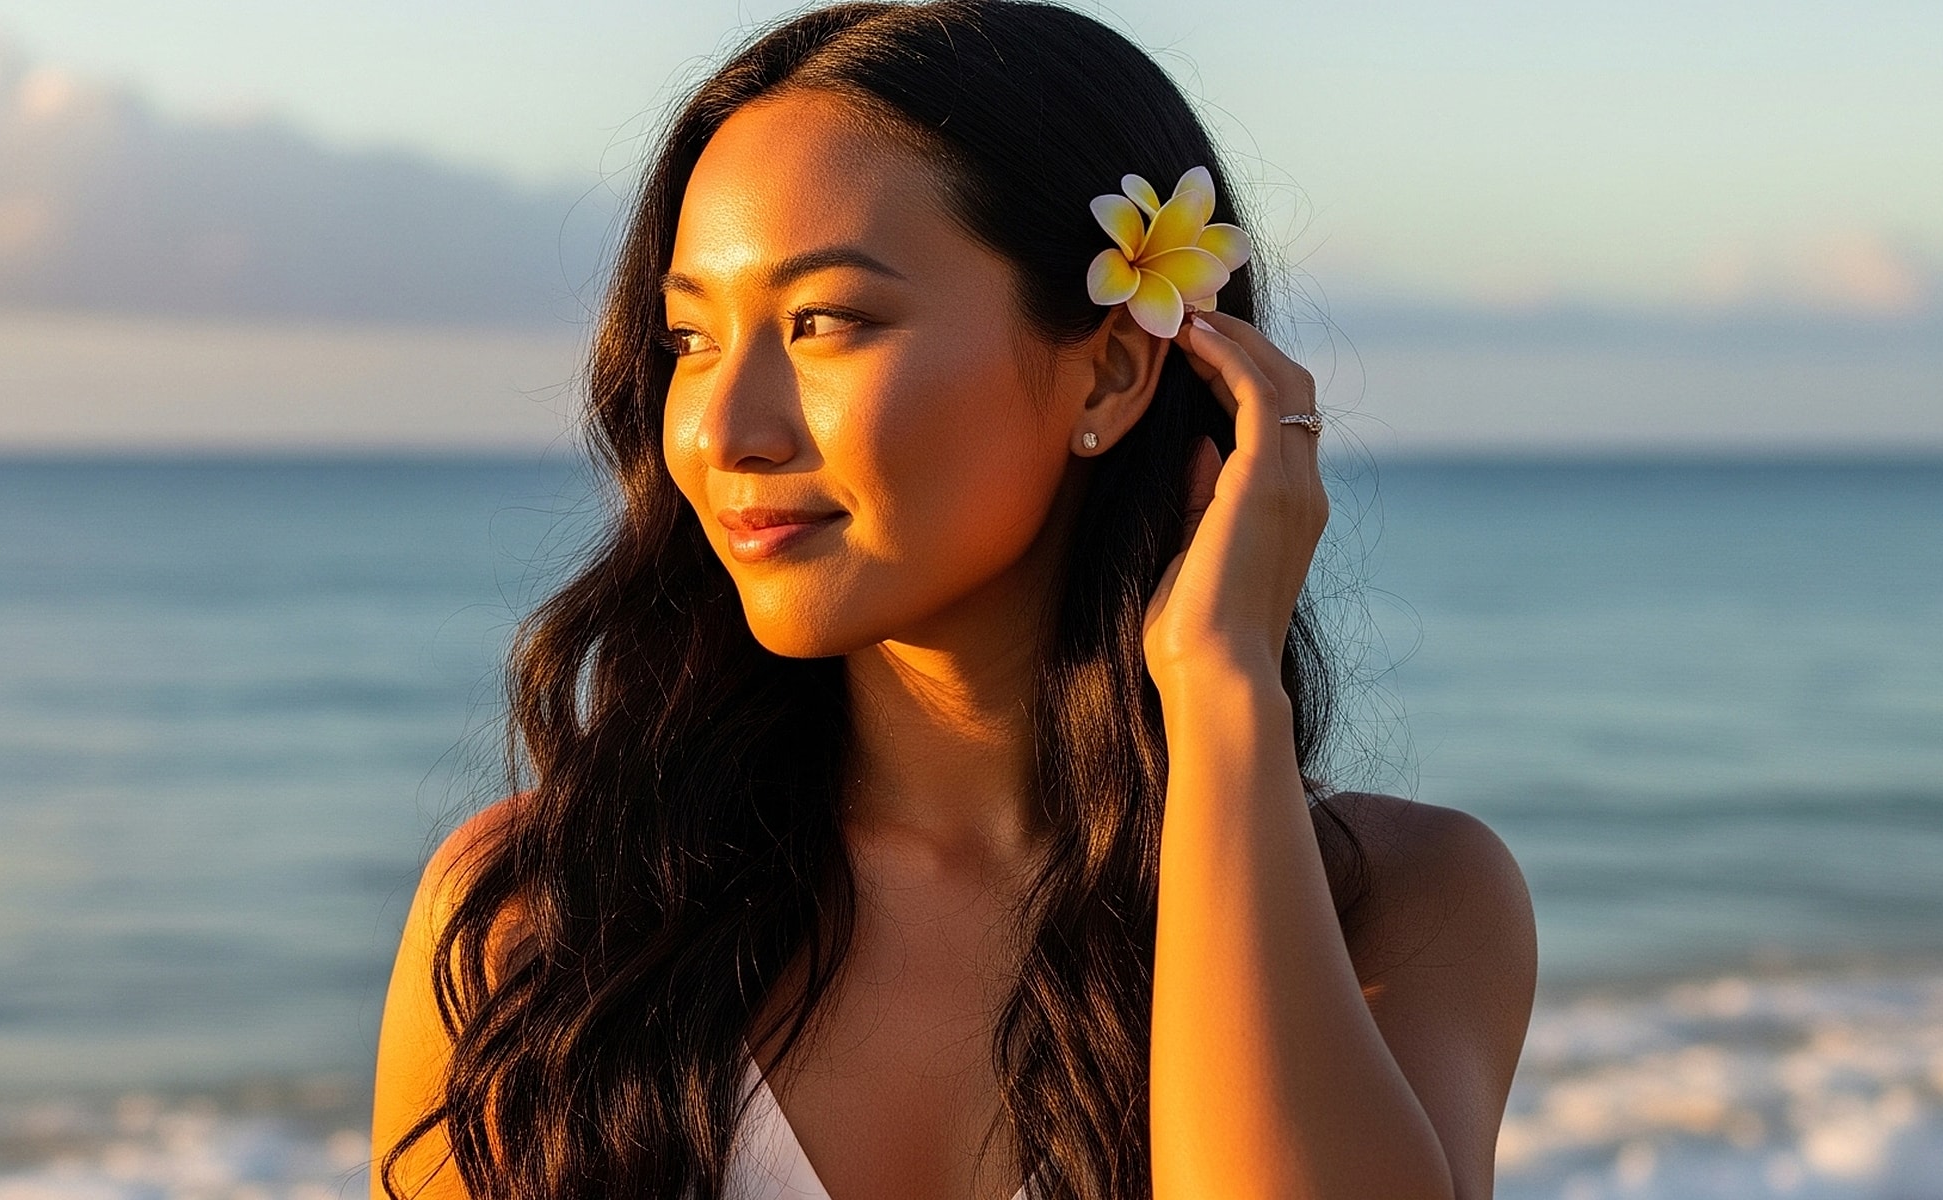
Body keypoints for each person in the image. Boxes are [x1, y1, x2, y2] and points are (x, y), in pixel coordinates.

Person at [372, 2, 1536, 1197]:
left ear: (1116, 367)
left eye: (826, 322)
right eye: (690, 339)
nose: (724, 429)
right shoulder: (542, 923)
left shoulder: (1399, 908)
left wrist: (1222, 687)